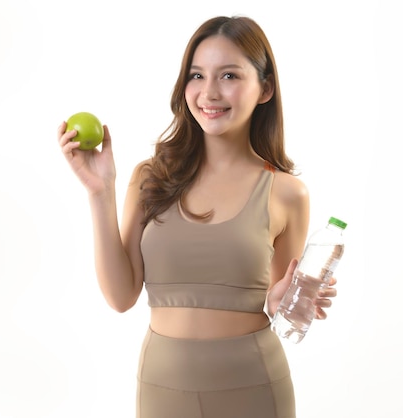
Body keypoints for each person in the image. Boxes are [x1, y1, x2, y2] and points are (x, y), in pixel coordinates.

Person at [56, 15, 337, 418]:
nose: (208, 92)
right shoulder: (151, 177)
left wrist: (283, 302)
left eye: (229, 76)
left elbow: (281, 303)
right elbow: (120, 297)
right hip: (161, 390)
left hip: (254, 387)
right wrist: (100, 193)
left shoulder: (288, 193)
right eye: (196, 75)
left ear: (265, 89)